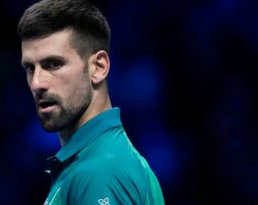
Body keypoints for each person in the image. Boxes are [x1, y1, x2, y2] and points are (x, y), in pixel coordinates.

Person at [17, 0, 165, 204]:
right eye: (30, 68)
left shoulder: (100, 172)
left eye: (53, 64)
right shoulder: (99, 161)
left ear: (98, 67)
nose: (37, 83)